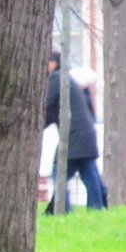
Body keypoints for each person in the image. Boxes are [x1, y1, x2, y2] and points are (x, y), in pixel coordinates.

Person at [44, 52, 106, 212]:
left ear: (54, 63)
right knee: (89, 173)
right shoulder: (67, 80)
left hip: (73, 135)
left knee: (59, 173)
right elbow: (54, 111)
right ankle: (97, 207)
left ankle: (61, 209)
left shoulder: (58, 78)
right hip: (85, 134)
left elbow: (47, 104)